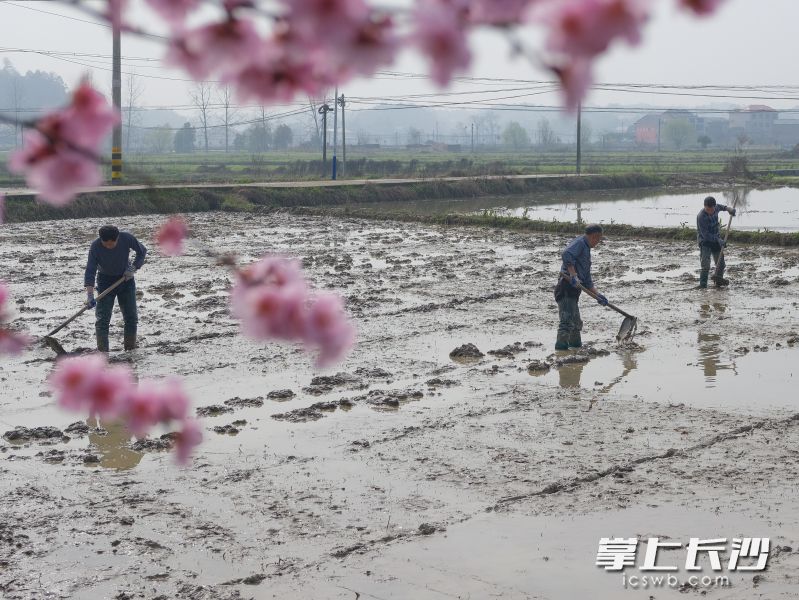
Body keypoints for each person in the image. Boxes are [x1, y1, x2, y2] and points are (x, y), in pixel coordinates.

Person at [83, 225, 147, 352]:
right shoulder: (95, 247)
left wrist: (134, 267)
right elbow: (90, 270)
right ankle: (103, 352)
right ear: (101, 240)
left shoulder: (127, 238)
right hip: (105, 281)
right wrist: (90, 295)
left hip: (125, 279)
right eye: (106, 244)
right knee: (102, 320)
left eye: (112, 244)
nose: (109, 247)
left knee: (131, 317)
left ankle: (130, 349)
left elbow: (142, 251)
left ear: (118, 238)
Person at [554, 224, 608, 351]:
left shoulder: (586, 251)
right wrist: (573, 274)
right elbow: (566, 254)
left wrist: (598, 295)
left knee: (576, 324)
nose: (598, 242)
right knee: (567, 322)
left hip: (574, 290)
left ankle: (575, 348)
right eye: (598, 239)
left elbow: (587, 281)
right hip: (566, 287)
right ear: (594, 236)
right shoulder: (580, 243)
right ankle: (561, 352)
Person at [697, 196, 736, 289]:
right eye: (707, 209)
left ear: (714, 207)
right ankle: (702, 286)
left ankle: (718, 284)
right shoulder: (701, 216)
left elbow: (722, 207)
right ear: (704, 207)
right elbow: (706, 235)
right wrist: (719, 240)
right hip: (705, 241)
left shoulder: (716, 208)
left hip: (716, 239)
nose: (710, 211)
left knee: (721, 264)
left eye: (711, 209)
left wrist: (728, 209)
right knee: (705, 265)